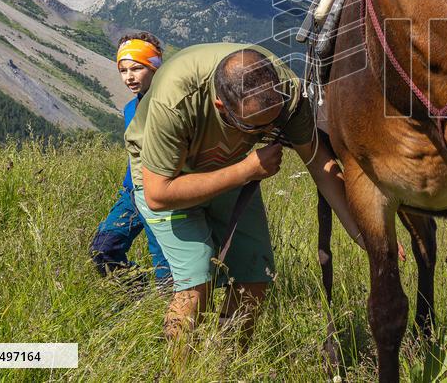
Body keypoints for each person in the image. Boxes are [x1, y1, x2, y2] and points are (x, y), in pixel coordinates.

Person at [127, 42, 366, 349]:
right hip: (168, 176)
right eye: (254, 126)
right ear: (220, 107)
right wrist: (245, 171)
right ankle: (181, 373)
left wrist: (364, 234)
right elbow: (158, 194)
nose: (266, 131)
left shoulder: (286, 93)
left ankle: (227, 364)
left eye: (273, 123)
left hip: (231, 165)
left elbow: (320, 164)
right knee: (197, 281)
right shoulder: (175, 100)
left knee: (255, 275)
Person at [89, 32, 172, 287]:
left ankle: (165, 309)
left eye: (137, 68)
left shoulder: (169, 103)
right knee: (103, 249)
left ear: (155, 66)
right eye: (123, 70)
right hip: (133, 192)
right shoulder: (129, 108)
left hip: (163, 192)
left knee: (165, 266)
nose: (129, 77)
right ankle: (140, 294)